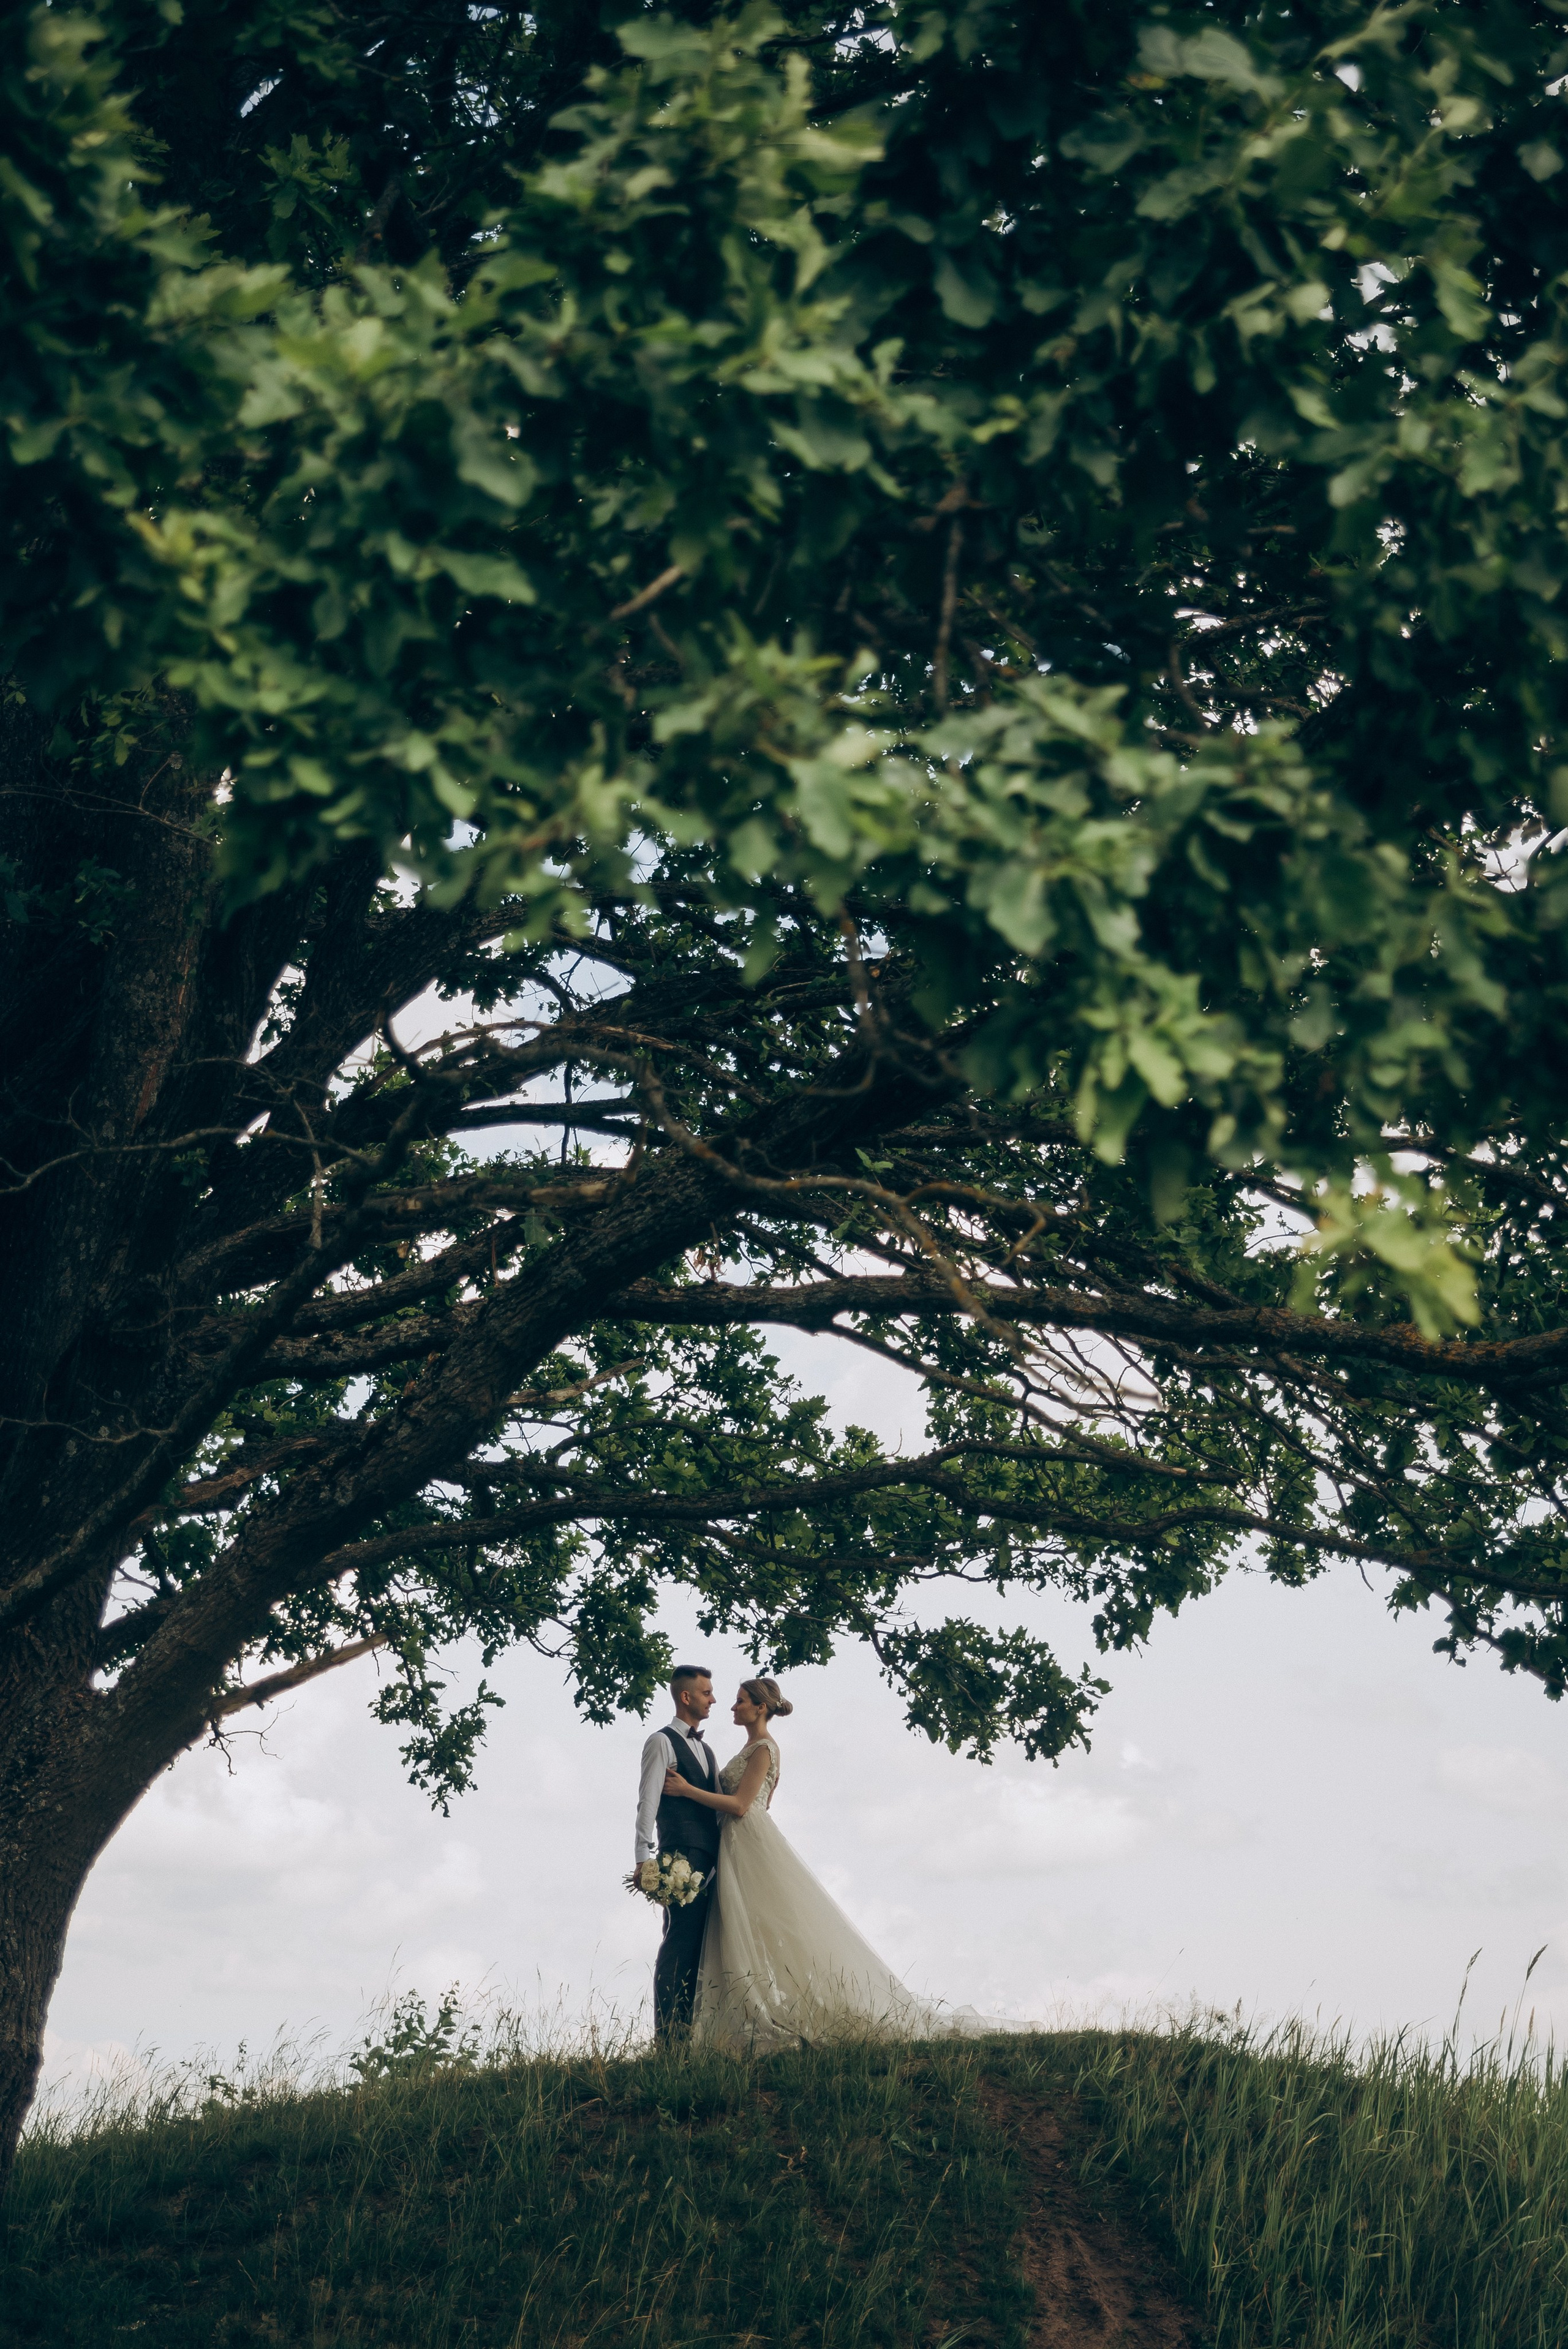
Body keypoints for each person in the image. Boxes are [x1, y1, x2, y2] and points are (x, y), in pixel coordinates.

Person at [661, 1675, 1005, 2053]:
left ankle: (781, 2013)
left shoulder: (763, 1748)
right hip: (733, 1845)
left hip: (747, 1844)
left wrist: (687, 1790)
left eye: (740, 1701)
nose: (732, 1706)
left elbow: (744, 1806)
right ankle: (737, 2019)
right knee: (738, 1928)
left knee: (767, 1927)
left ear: (760, 1708)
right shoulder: (750, 1749)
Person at [633, 1664, 720, 2042]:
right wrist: (643, 1859)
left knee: (701, 1947)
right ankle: (668, 2039)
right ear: (687, 1697)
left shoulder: (708, 1750)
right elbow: (647, 1802)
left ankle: (692, 2036)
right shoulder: (661, 1742)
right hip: (679, 1858)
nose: (713, 1699)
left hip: (714, 1860)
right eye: (706, 1693)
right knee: (679, 1944)